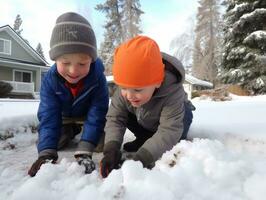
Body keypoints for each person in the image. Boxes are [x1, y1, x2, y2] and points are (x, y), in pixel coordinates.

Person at [100, 35, 194, 178]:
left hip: (174, 123)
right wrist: (111, 149)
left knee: (180, 124)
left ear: (157, 82)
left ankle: (152, 145)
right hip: (145, 119)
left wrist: (143, 158)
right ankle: (145, 139)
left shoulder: (173, 91)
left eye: (137, 89)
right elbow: (115, 118)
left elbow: (170, 129)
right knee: (124, 110)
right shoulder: (126, 91)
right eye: (124, 87)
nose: (129, 94)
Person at [28, 12, 109, 177]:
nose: (73, 70)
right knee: (53, 144)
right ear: (55, 60)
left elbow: (98, 111)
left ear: (91, 61)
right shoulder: (50, 80)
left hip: (87, 116)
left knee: (100, 145)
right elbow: (49, 115)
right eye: (65, 63)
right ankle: (69, 130)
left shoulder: (98, 78)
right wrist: (45, 153)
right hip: (63, 116)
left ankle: (83, 133)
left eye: (82, 63)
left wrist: (85, 147)